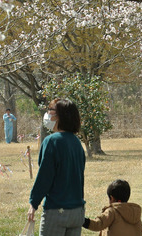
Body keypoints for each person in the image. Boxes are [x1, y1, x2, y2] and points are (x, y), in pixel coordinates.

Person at [27, 99, 86, 236]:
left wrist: (33, 203)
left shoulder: (52, 141)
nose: (47, 114)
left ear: (60, 116)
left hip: (57, 212)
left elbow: (45, 176)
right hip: (77, 211)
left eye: (50, 110)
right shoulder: (76, 142)